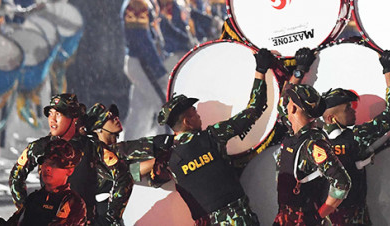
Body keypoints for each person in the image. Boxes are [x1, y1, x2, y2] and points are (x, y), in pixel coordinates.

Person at [131, 47, 275, 225]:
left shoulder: (170, 158)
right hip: (239, 218)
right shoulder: (212, 136)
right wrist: (260, 70)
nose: (199, 115)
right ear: (187, 122)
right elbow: (254, 110)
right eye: (194, 112)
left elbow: (130, 173)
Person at [317, 49, 390, 226]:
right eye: (347, 109)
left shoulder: (312, 140)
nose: (353, 110)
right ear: (331, 118)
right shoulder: (356, 137)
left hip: (321, 216)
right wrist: (388, 70)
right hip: (353, 215)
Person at [275, 83, 351, 226]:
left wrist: (317, 217)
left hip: (303, 219)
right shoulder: (293, 135)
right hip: (285, 217)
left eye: (288, 102)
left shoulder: (313, 144)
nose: (285, 106)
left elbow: (342, 183)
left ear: (293, 108)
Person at [118, 0, 167, 139]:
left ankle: (128, 155)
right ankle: (166, 154)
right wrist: (158, 70)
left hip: (141, 62)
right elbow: (142, 42)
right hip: (142, 62)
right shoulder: (137, 2)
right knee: (165, 108)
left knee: (140, 111)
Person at [10, 92, 90, 208]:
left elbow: (119, 175)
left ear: (74, 117)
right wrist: (25, 210)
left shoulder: (90, 146)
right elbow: (16, 176)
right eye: (50, 114)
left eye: (58, 114)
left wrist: (109, 214)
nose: (52, 119)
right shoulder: (40, 147)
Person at [9, 137, 88, 226]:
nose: (47, 168)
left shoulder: (73, 203)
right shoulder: (34, 198)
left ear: (69, 170)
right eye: (45, 162)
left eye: (54, 164)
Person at [79, 102, 133, 225]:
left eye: (115, 115)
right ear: (98, 128)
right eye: (109, 117)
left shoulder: (121, 149)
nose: (116, 118)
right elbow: (129, 173)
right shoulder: (93, 156)